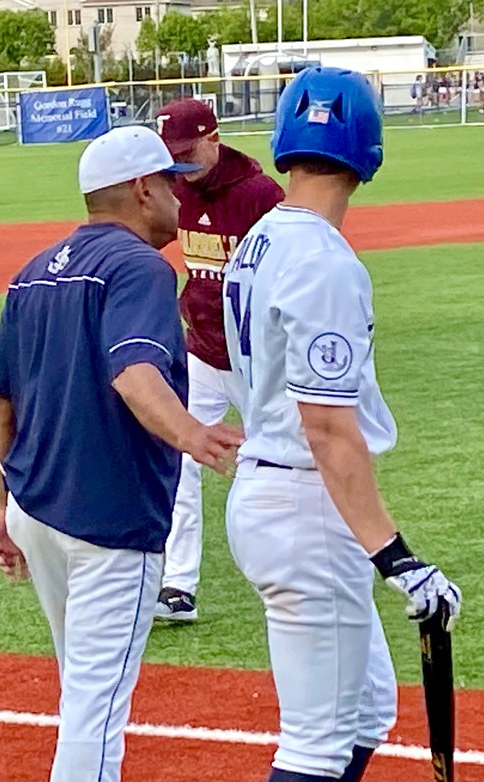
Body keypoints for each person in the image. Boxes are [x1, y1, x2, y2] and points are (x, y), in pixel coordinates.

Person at [222, 67, 462, 782]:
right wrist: (396, 558)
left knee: (364, 710)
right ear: (369, 151)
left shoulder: (261, 237)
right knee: (318, 734)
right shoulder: (322, 257)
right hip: (300, 498)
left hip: (280, 489)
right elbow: (328, 424)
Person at [0, 125, 243, 782]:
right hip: (105, 521)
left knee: (81, 684)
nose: (177, 194)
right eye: (167, 182)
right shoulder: (136, 267)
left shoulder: (34, 272)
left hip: (38, 507)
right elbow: (133, 371)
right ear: (139, 191)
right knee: (96, 698)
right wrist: (191, 435)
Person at [150, 98, 284, 624]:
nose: (180, 165)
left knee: (280, 462)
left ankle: (289, 569)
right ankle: (178, 585)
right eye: (171, 157)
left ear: (214, 137)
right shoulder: (175, 187)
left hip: (255, 360)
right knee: (181, 460)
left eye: (187, 152)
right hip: (199, 352)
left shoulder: (259, 195)